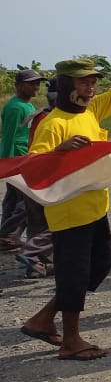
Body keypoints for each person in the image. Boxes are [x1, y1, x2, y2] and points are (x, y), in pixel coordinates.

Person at [20, 27, 111, 361]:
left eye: (93, 82)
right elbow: (34, 166)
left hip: (96, 207)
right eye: (84, 82)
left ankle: (43, 319)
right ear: (67, 84)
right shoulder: (53, 124)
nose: (91, 87)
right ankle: (70, 340)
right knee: (73, 272)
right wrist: (60, 151)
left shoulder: (92, 111)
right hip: (69, 212)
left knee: (101, 263)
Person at [14, 79, 57, 278]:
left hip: (30, 173)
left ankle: (37, 265)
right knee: (59, 222)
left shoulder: (38, 114)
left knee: (36, 222)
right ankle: (31, 253)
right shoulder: (55, 119)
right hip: (47, 176)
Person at [1, 69, 44, 252]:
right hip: (18, 158)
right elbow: (9, 136)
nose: (36, 86)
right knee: (25, 200)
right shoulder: (15, 107)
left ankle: (7, 237)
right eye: (31, 83)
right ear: (18, 85)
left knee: (14, 198)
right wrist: (7, 163)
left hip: (24, 156)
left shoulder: (27, 106)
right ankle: (8, 234)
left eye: (37, 83)